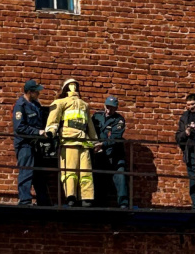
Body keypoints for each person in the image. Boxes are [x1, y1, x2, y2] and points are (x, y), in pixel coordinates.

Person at [45, 78, 101, 207]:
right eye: (70, 86)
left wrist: (95, 141)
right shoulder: (60, 103)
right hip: (68, 139)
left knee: (85, 171)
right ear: (66, 88)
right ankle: (71, 196)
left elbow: (90, 125)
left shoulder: (84, 105)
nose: (73, 88)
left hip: (83, 141)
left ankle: (87, 197)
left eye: (75, 85)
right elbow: (53, 120)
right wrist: (51, 131)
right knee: (70, 170)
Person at [12, 79, 51, 206]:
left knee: (39, 173)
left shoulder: (36, 105)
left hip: (36, 144)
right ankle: (24, 200)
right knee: (26, 172)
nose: (38, 94)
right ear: (29, 92)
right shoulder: (20, 106)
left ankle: (43, 201)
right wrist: (38, 132)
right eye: (36, 92)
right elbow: (19, 127)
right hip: (25, 144)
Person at [92, 95, 129, 208]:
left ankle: (123, 204)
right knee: (99, 179)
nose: (109, 110)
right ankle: (99, 204)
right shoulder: (96, 117)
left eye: (112, 108)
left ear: (116, 108)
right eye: (107, 107)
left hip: (115, 154)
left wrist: (102, 144)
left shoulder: (119, 120)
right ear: (104, 106)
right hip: (100, 154)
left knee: (120, 178)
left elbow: (116, 137)